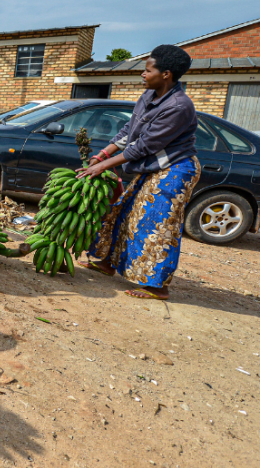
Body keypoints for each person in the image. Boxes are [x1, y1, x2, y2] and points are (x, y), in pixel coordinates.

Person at [81, 45, 200, 300]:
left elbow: (145, 145)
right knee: (121, 212)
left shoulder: (179, 106)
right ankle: (106, 262)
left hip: (175, 169)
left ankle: (157, 286)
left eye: (148, 70)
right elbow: (129, 130)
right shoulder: (149, 96)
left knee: (155, 225)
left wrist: (104, 166)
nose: (143, 75)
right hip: (152, 166)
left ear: (166, 74)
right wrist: (103, 154)